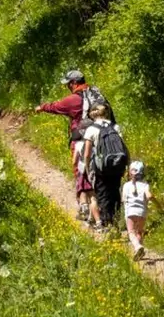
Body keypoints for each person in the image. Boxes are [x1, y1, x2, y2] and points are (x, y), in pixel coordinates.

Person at [35, 69, 114, 222]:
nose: (67, 87)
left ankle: (86, 209)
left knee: (81, 172)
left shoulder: (74, 100)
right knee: (98, 171)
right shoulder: (96, 93)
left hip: (81, 140)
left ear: (74, 83)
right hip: (101, 139)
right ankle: (103, 207)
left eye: (68, 84)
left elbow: (56, 106)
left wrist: (41, 107)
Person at [80, 102, 129, 231]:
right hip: (117, 166)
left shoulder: (91, 129)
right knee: (115, 193)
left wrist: (88, 169)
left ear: (93, 114)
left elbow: (87, 154)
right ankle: (115, 221)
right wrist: (126, 164)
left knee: (102, 195)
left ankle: (107, 223)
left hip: (101, 168)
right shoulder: (115, 127)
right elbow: (124, 148)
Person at [121, 161, 153, 259]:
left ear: (130, 173)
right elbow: (149, 196)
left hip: (130, 211)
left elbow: (123, 199)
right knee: (139, 232)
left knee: (131, 232)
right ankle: (139, 253)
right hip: (142, 212)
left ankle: (137, 246)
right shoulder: (145, 185)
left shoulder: (126, 185)